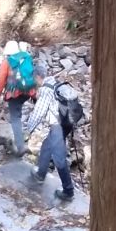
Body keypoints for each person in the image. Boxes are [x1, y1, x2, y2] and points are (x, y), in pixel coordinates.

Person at [26, 65, 79, 203]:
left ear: (38, 77)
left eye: (34, 79)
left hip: (57, 125)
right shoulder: (55, 83)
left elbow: (39, 112)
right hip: (67, 123)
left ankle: (68, 191)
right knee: (46, 145)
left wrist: (29, 129)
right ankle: (40, 173)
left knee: (59, 158)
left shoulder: (45, 90)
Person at [0, 40, 36, 155]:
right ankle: (23, 139)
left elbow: (1, 79)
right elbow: (31, 75)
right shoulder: (27, 57)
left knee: (15, 118)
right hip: (27, 92)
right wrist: (33, 94)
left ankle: (20, 146)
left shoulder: (7, 61)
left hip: (14, 93)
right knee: (19, 113)